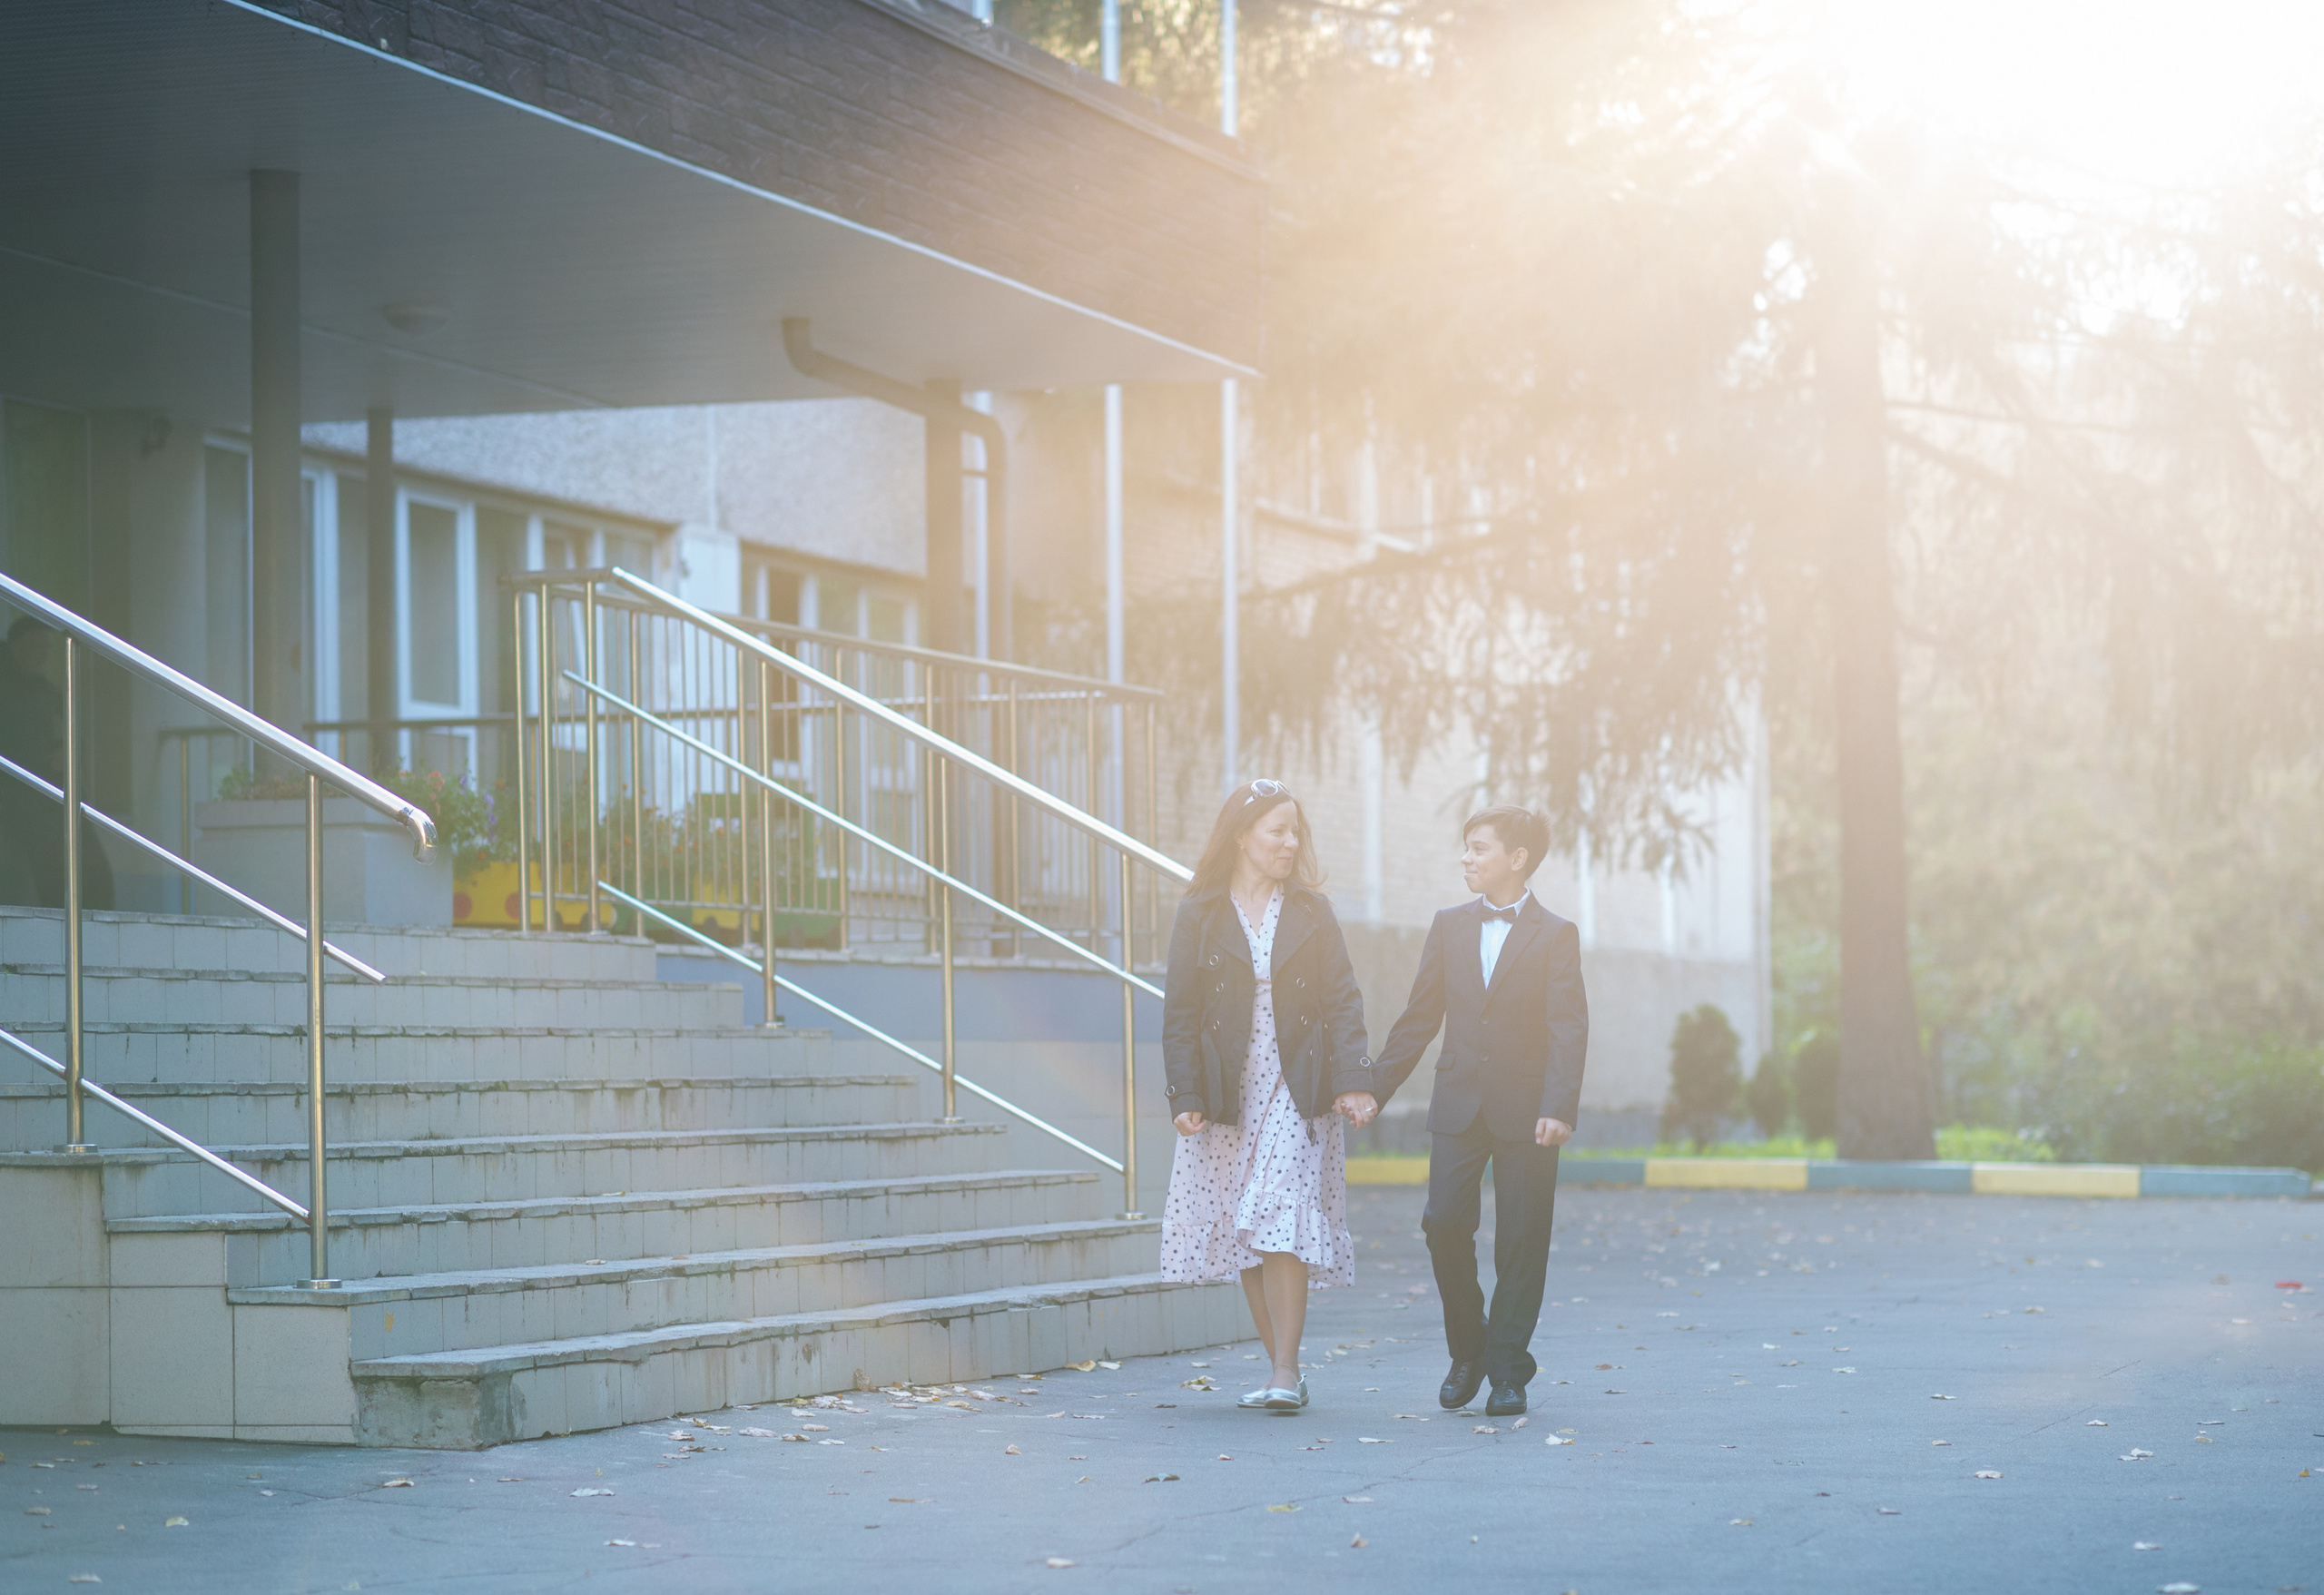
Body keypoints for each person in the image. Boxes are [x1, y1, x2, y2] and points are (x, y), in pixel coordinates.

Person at [1159, 778, 1378, 1413]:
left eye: (1294, 831)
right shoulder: (1198, 911)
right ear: (1241, 836)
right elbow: (1181, 1012)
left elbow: (1342, 997)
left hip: (1296, 1080)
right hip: (1228, 1086)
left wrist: (1354, 1078)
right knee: (1241, 1225)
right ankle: (1281, 1365)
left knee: (1279, 1208)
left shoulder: (1311, 909)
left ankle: (1286, 1369)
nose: (1289, 842)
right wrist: (1185, 1093)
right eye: (1276, 830)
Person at [1367, 804, 1587, 1418]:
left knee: (1521, 1239)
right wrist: (1372, 1089)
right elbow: (1418, 1018)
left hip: (1530, 1110)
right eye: (1465, 847)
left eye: (1479, 847)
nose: (1467, 857)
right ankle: (1470, 1348)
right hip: (1458, 1102)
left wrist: (1559, 1105)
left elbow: (1569, 1026)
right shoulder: (1449, 925)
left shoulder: (1556, 934)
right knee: (1442, 1224)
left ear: (1517, 858)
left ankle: (1508, 1370)